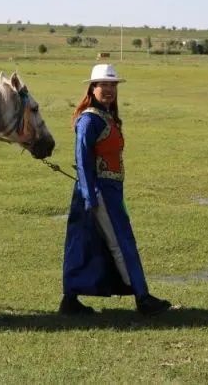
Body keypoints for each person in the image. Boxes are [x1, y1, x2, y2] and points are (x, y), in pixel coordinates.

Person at [60, 63, 172, 316]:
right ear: (93, 88)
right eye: (104, 85)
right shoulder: (89, 120)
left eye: (113, 85)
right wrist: (90, 195)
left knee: (89, 242)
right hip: (98, 191)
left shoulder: (106, 116)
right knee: (119, 243)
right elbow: (82, 158)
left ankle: (70, 299)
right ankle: (142, 298)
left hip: (110, 191)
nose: (109, 90)